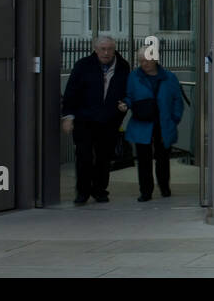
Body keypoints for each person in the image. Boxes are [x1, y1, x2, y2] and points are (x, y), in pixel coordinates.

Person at [61, 34, 130, 204]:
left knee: (103, 158)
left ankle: (100, 190)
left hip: (109, 121)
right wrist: (68, 117)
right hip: (84, 120)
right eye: (102, 49)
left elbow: (127, 92)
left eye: (110, 49)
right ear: (95, 49)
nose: (106, 53)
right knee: (84, 157)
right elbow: (71, 93)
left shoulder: (123, 66)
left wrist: (124, 107)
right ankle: (82, 192)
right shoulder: (83, 65)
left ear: (115, 50)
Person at [119, 48, 186, 202]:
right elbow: (129, 96)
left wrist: (174, 119)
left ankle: (164, 187)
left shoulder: (169, 77)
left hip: (163, 123)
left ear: (155, 59)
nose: (144, 64)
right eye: (140, 61)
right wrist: (125, 104)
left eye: (147, 60)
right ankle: (146, 191)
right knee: (144, 159)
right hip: (143, 123)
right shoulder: (134, 76)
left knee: (163, 158)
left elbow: (177, 100)